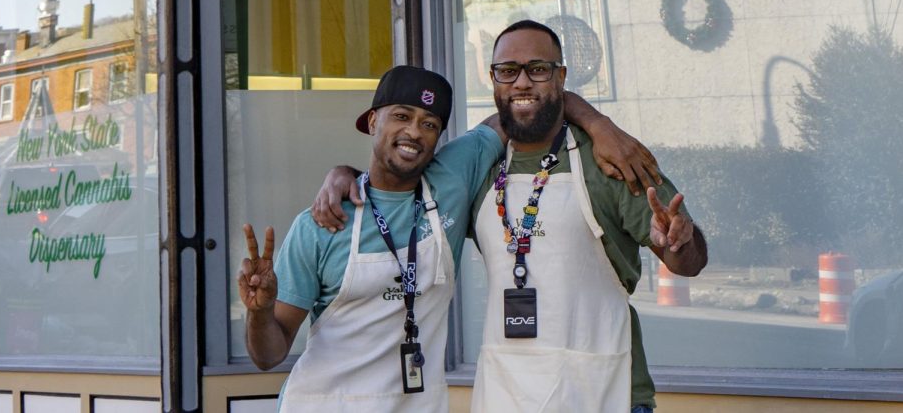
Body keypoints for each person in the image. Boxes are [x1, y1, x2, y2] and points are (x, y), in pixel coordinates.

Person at [313, 20, 708, 412]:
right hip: (506, 394)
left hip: (606, 391)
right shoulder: (476, 167)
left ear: (561, 77)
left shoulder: (611, 159)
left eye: (538, 69)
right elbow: (396, 180)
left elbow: (688, 263)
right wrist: (344, 176)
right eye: (508, 71)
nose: (521, 83)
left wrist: (680, 241)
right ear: (494, 80)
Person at [239, 65, 659, 412]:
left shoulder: (453, 175)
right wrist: (258, 313)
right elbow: (268, 354)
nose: (414, 133)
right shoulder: (322, 222)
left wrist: (599, 125)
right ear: (372, 122)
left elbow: (525, 104)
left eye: (429, 124)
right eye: (401, 116)